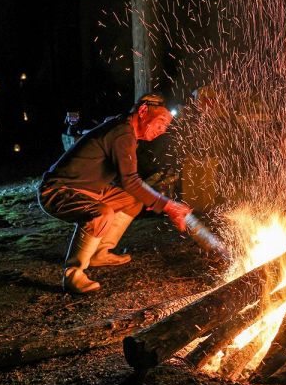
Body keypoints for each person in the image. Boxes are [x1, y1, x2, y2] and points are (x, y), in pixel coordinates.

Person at [38, 93, 191, 295]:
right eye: (161, 122)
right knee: (100, 214)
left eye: (166, 126)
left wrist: (149, 197)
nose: (162, 130)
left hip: (90, 190)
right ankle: (73, 274)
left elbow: (127, 182)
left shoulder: (126, 131)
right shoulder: (122, 133)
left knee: (132, 200)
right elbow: (130, 180)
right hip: (57, 190)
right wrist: (168, 206)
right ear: (143, 111)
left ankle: (100, 253)